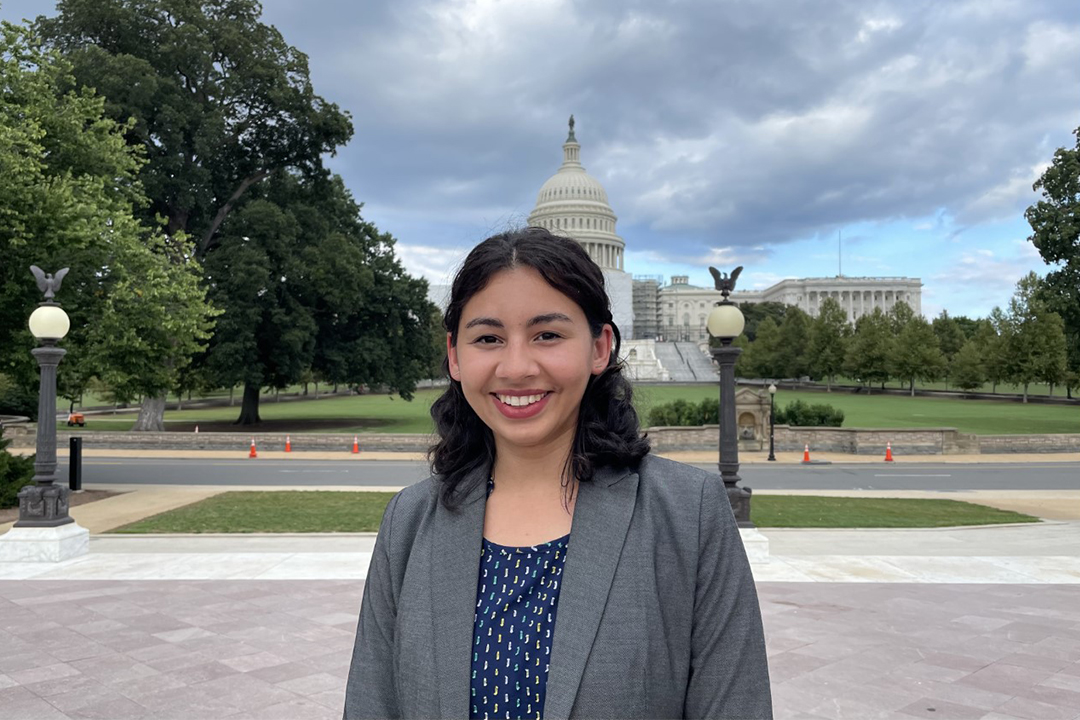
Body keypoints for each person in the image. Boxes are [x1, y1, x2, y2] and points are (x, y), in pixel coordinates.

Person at [344, 227, 772, 719]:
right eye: (488, 338)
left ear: (599, 347)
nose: (517, 367)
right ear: (456, 356)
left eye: (547, 334)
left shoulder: (687, 513)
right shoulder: (409, 521)